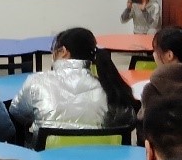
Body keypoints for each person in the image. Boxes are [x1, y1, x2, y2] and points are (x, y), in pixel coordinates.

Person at [9, 28, 138, 143]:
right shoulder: (109, 87)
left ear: (64, 51)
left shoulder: (36, 81)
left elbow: (17, 113)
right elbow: (128, 120)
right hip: (99, 158)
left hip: (49, 158)